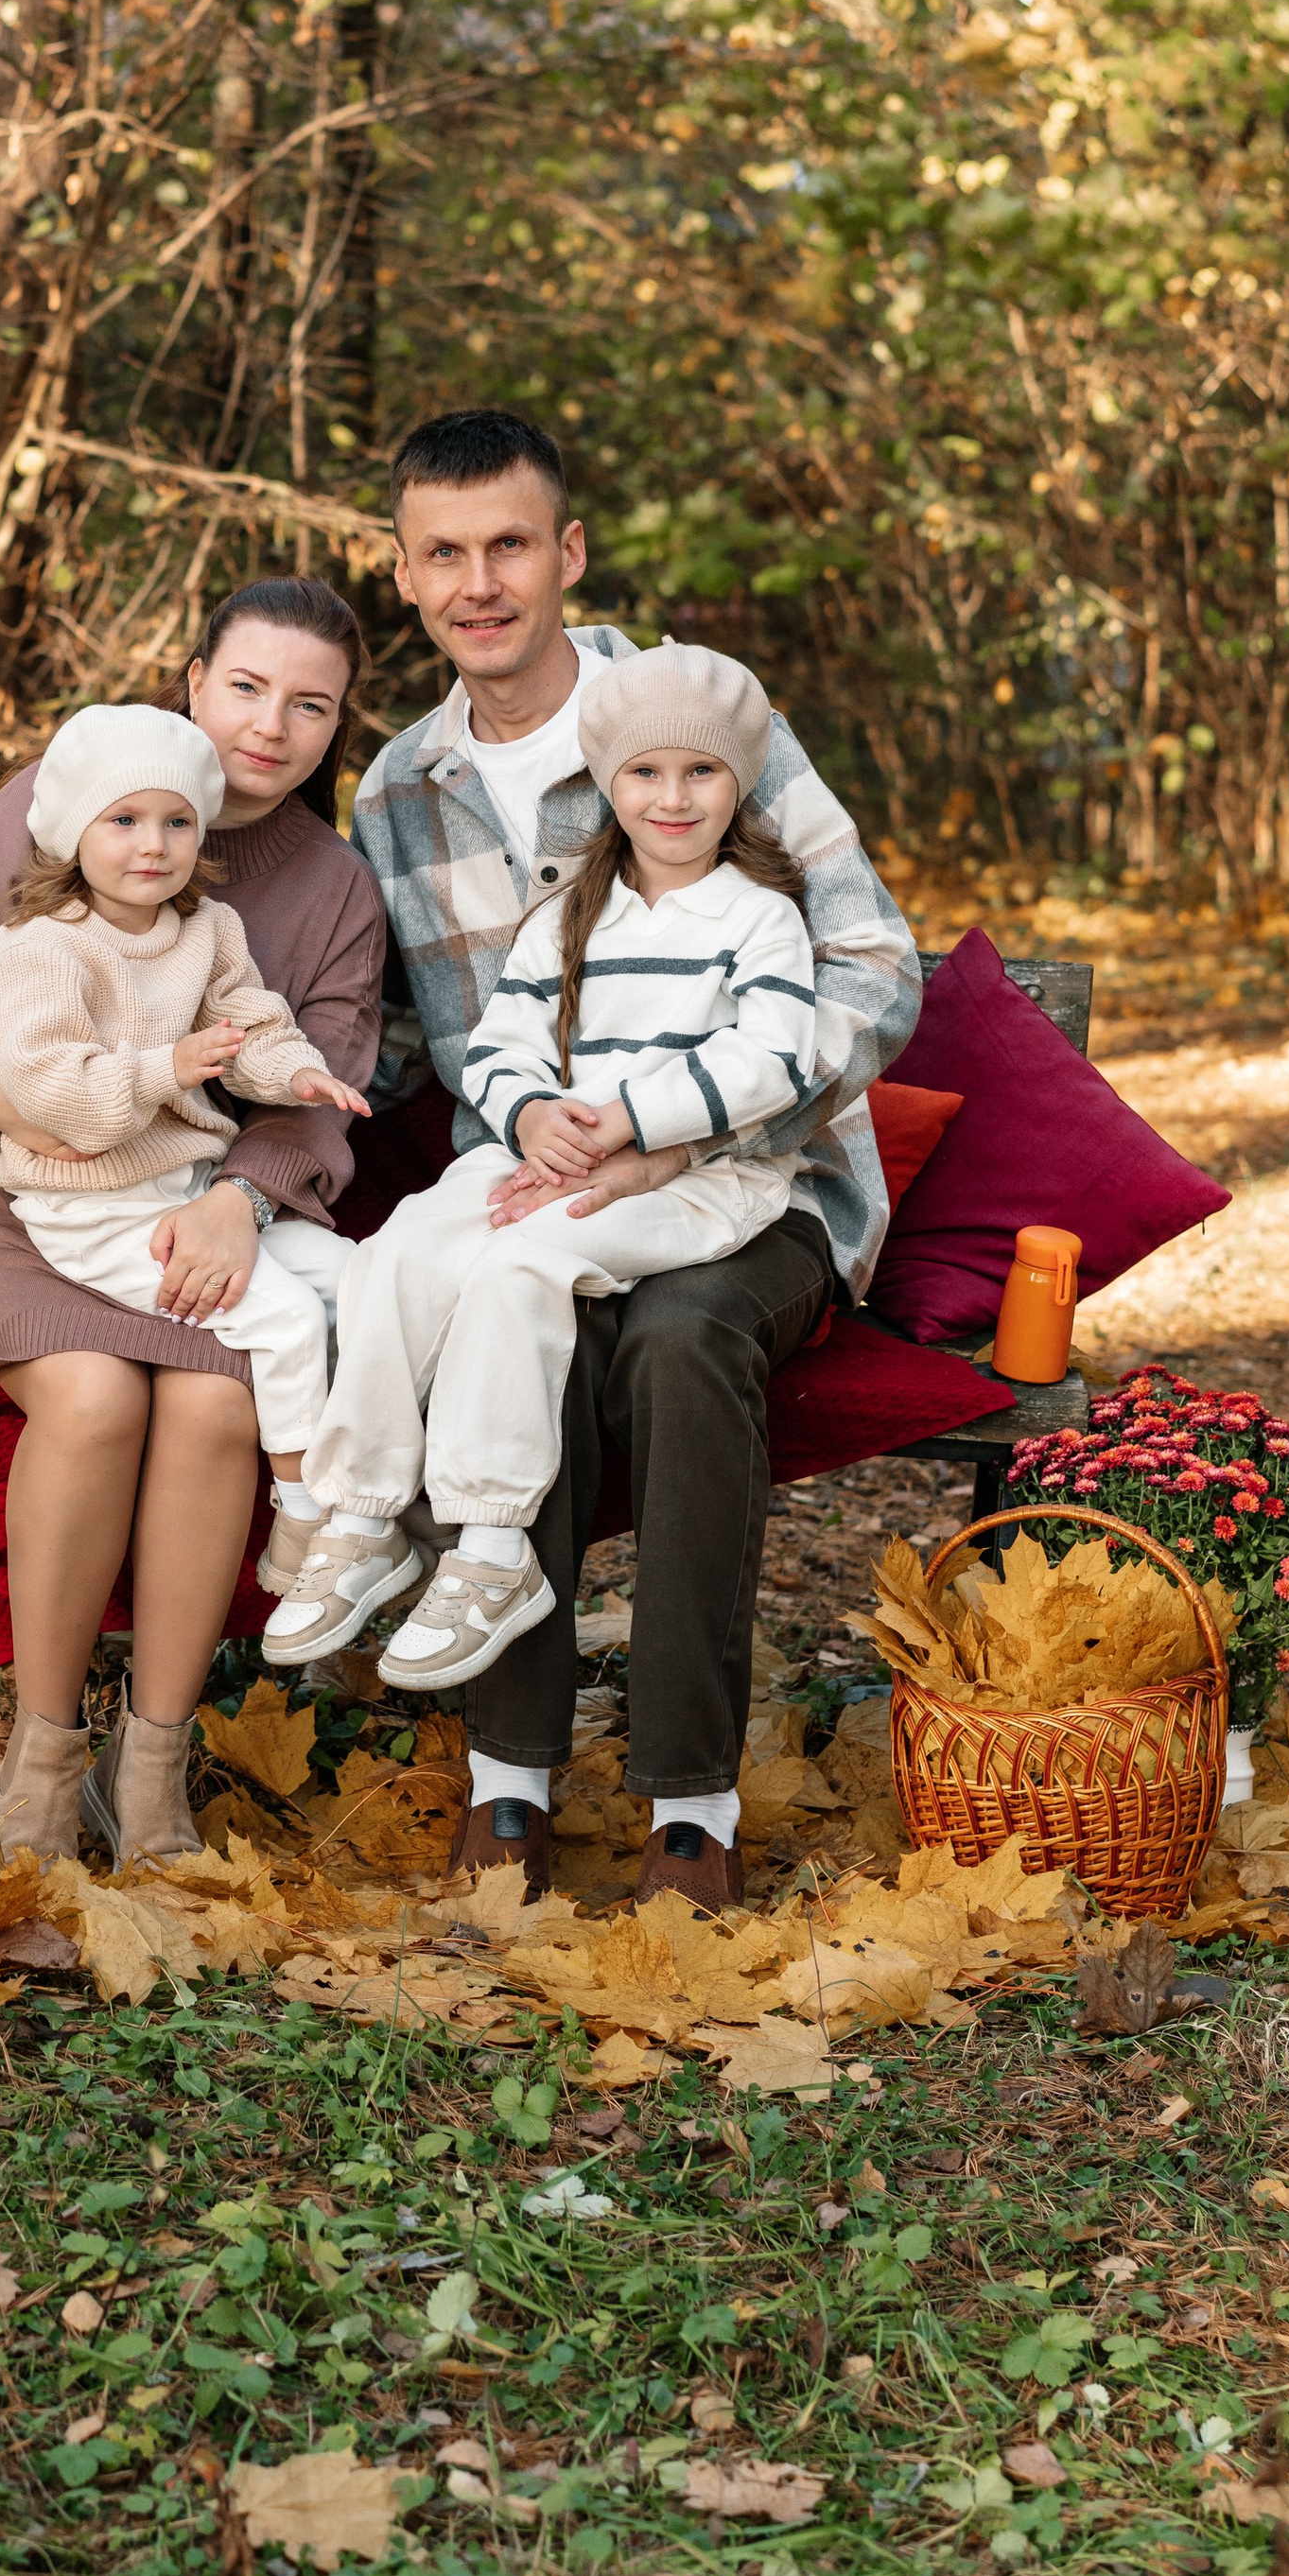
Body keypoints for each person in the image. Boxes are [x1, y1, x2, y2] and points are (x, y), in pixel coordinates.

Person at [338, 409, 921, 1915]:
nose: (483, 583)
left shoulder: (695, 717)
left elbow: (869, 971)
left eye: (511, 544)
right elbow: (403, 1043)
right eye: (446, 553)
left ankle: (686, 1801)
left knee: (675, 1338)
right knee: (503, 1297)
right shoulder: (398, 792)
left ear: (567, 551)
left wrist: (680, 1136)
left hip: (753, 1192)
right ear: (403, 573)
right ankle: (511, 1779)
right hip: (543, 1191)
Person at [0, 579, 386, 1862]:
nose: (271, 726)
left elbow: (316, 1083)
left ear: (338, 728)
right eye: (248, 686)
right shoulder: (80, 782)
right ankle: (40, 1759)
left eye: (311, 704)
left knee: (219, 1401)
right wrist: (3, 1102)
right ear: (194, 677)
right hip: (20, 1195)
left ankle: (150, 1764)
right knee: (97, 1399)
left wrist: (240, 1199)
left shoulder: (330, 889)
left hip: (201, 1217)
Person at [272, 641, 816, 1699]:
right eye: (644, 772)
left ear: (738, 783)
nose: (671, 797)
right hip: (553, 1155)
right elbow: (504, 1038)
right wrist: (527, 1116)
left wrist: (620, 1121)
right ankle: (363, 1514)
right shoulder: (573, 910)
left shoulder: (760, 914)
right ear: (606, 782)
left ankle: (491, 1546)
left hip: (698, 1180)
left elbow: (772, 1057)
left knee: (517, 1267)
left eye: (699, 772)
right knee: (402, 1250)